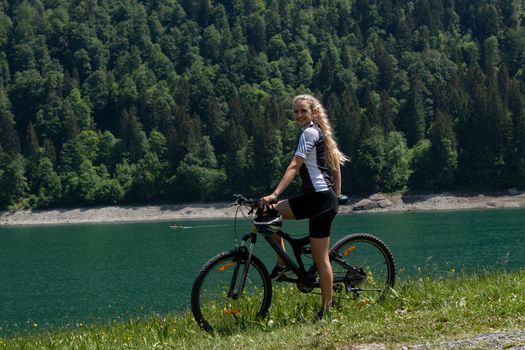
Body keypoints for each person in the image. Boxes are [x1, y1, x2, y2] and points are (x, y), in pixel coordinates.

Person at [261, 94, 348, 319]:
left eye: (303, 111)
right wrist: (337, 194)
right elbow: (336, 167)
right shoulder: (312, 133)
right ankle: (283, 263)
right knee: (266, 213)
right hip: (312, 199)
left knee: (321, 259)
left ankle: (327, 311)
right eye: (296, 112)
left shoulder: (310, 132)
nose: (299, 115)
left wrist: (275, 194)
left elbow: (294, 166)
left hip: (321, 201)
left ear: (313, 113)